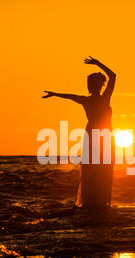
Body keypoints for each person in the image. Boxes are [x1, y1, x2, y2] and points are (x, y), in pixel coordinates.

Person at [42, 56, 116, 208]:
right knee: (102, 169)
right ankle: (100, 201)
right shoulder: (102, 99)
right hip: (103, 136)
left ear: (97, 85)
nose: (88, 86)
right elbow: (113, 76)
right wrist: (98, 63)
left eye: (90, 84)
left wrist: (55, 94)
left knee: (94, 169)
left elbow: (70, 96)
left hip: (94, 136)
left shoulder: (88, 100)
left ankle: (93, 201)